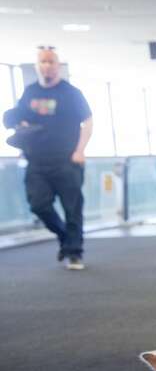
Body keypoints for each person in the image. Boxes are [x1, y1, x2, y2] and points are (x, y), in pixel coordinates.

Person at [2, 46, 93, 269]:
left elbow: (88, 122)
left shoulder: (71, 93)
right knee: (38, 204)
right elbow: (18, 117)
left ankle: (74, 253)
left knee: (72, 208)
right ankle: (65, 237)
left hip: (67, 159)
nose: (47, 66)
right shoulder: (30, 92)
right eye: (42, 62)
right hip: (36, 161)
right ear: (37, 66)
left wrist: (80, 150)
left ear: (58, 65)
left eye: (51, 61)